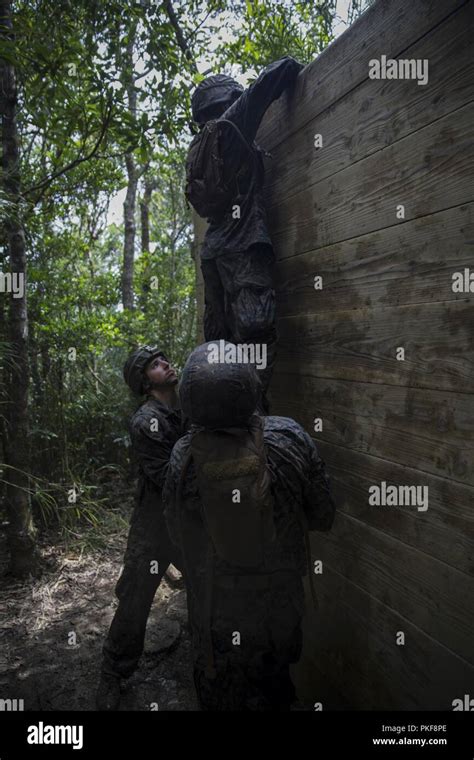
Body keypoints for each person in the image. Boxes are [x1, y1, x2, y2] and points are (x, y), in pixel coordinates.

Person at [163, 342, 335, 711]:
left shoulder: (183, 456)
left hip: (216, 621)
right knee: (276, 692)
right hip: (280, 613)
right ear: (250, 384)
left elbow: (177, 537)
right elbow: (324, 516)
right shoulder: (290, 436)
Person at [187, 56, 304, 409]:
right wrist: (294, 66)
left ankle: (217, 419)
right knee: (254, 334)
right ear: (228, 99)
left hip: (215, 250)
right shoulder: (231, 123)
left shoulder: (196, 147)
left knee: (219, 340)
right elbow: (274, 76)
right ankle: (247, 418)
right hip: (243, 245)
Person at [96, 345, 186, 711]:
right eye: (154, 365)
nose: (165, 364)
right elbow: (167, 477)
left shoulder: (186, 409)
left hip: (186, 522)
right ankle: (113, 674)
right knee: (135, 598)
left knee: (210, 584)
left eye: (163, 359)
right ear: (145, 384)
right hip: (155, 525)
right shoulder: (146, 421)